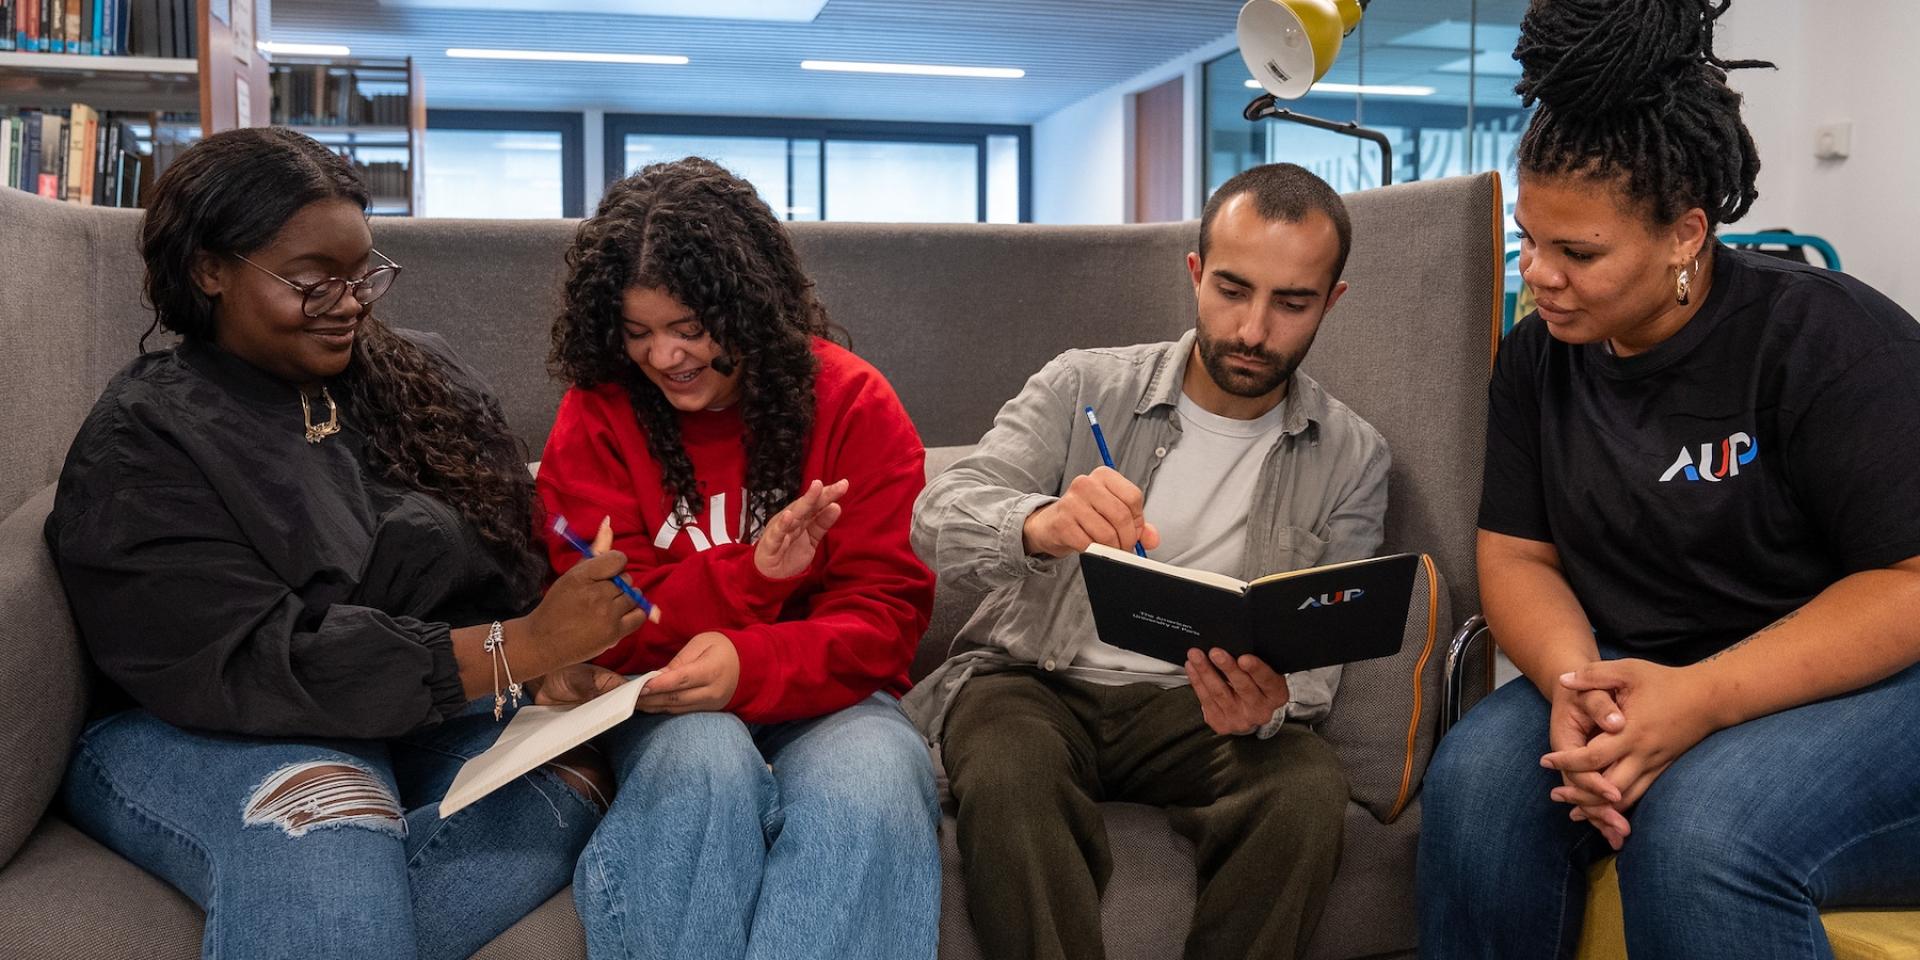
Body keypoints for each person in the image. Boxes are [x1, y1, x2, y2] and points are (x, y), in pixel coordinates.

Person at [45, 127, 649, 960]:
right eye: (310, 280)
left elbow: (498, 569)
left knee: (577, 780)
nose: (352, 301)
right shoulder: (146, 438)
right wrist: (518, 646)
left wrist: (550, 663)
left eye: (362, 272)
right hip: (207, 721)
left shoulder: (417, 378)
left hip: (418, 714)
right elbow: (255, 660)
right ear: (208, 270)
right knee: (330, 806)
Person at [1417, 1, 1920, 956]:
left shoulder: (1827, 342)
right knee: (1477, 787)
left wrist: (1703, 700)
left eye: (1579, 253)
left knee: (1698, 835)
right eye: (1531, 239)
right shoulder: (1538, 360)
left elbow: (1910, 584)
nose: (1540, 276)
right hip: (1642, 671)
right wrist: (1572, 686)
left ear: (1686, 235)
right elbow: (1517, 554)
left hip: (1873, 687)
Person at [905, 162, 1387, 960]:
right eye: (1232, 290)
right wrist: (1041, 521)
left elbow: (1317, 653)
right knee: (1010, 770)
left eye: (1291, 302)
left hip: (1194, 707)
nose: (1253, 330)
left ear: (1331, 301)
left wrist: (1268, 704)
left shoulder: (1352, 455)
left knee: (1303, 787)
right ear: (1195, 274)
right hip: (1036, 682)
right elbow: (935, 516)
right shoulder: (1083, 385)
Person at [535, 156, 942, 960]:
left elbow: (884, 619)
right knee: (704, 763)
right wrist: (752, 579)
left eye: (691, 329)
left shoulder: (852, 402)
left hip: (835, 700)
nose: (665, 358)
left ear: (748, 308)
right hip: (657, 702)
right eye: (639, 333)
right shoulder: (599, 414)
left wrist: (748, 662)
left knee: (874, 782)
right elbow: (597, 624)